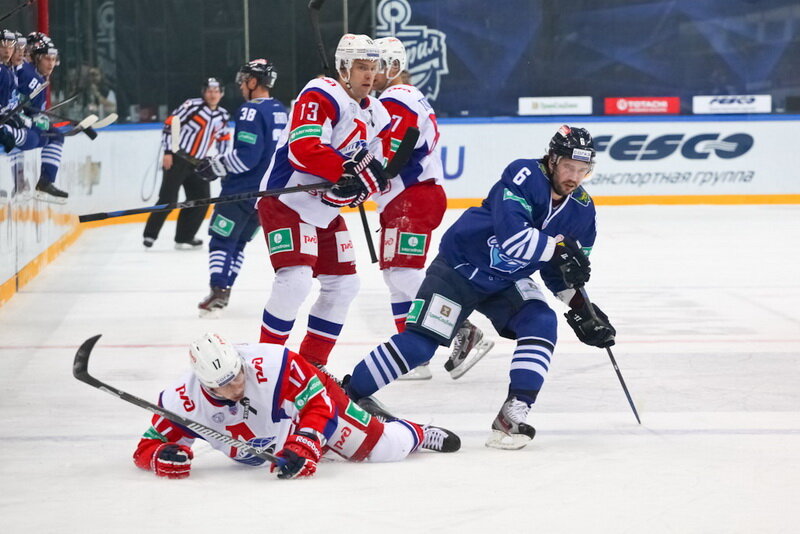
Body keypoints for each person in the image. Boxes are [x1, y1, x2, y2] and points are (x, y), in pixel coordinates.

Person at [343, 125, 617, 450]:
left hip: (506, 281)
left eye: (582, 170)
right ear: (553, 160)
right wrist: (559, 251)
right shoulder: (524, 174)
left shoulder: (582, 211)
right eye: (569, 167)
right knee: (420, 345)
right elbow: (513, 239)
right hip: (459, 269)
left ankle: (513, 414)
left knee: (541, 321)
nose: (574, 176)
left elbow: (562, 274)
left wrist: (582, 306)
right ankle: (348, 395)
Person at [132, 332, 460, 480]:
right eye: (223, 385)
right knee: (322, 449)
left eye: (237, 376)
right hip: (276, 431)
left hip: (311, 400)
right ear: (203, 382)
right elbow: (146, 447)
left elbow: (318, 404)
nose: (235, 388)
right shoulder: (182, 400)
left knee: (380, 449)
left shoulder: (275, 364)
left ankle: (416, 432)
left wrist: (305, 443)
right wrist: (161, 458)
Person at [256, 34, 390, 369]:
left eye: (373, 68)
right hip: (287, 199)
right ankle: (267, 364)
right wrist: (343, 172)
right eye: (361, 66)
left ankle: (311, 368)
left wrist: (361, 188)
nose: (369, 75)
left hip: (324, 209)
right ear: (344, 67)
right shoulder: (320, 93)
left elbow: (372, 169)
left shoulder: (378, 114)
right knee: (296, 279)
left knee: (345, 285)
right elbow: (304, 149)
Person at [372, 36, 493, 381]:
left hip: (412, 196)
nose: (369, 73)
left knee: (402, 273)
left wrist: (352, 171)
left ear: (392, 66)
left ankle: (462, 329)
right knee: (394, 277)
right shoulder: (402, 97)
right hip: (407, 197)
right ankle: (412, 354)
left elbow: (390, 153)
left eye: (374, 66)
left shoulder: (397, 97)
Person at [195, 59, 288, 317]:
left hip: (240, 191)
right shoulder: (280, 109)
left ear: (254, 81)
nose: (240, 83)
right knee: (239, 243)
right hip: (267, 195)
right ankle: (224, 291)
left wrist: (216, 166)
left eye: (245, 78)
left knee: (221, 240)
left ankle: (218, 290)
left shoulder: (250, 111)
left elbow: (247, 157)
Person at [142, 78, 231, 249]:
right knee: (168, 198)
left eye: (216, 91)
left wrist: (222, 161)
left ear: (221, 93)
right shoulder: (192, 106)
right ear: (204, 92)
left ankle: (184, 236)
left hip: (199, 164)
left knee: (201, 200)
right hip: (178, 159)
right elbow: (170, 124)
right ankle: (150, 235)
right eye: (210, 91)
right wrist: (168, 152)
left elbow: (224, 139)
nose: (213, 94)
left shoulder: (223, 115)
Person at [3, 33, 68, 201]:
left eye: (53, 59)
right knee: (39, 137)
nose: (51, 64)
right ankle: (45, 182)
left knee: (52, 135)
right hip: (9, 122)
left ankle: (45, 182)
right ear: (36, 57)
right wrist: (28, 119)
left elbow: (27, 109)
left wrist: (35, 118)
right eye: (47, 58)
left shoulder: (30, 74)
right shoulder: (28, 75)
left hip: (14, 119)